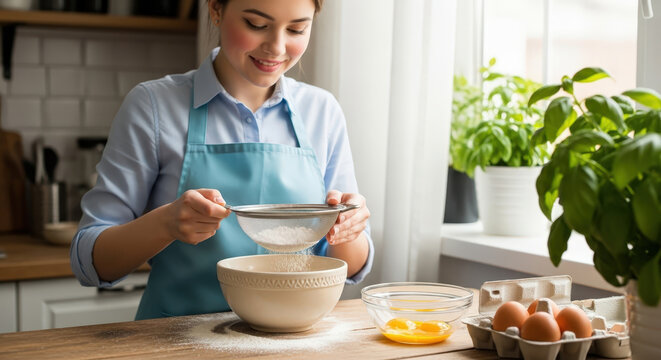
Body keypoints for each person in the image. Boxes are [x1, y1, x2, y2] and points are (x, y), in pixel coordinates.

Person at [70, 0, 374, 320]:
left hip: (292, 344)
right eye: (257, 25)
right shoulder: (152, 106)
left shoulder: (322, 111)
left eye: (297, 28)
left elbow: (350, 265)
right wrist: (166, 223)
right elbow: (90, 262)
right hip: (173, 342)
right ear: (216, 9)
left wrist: (349, 228)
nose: (277, 47)